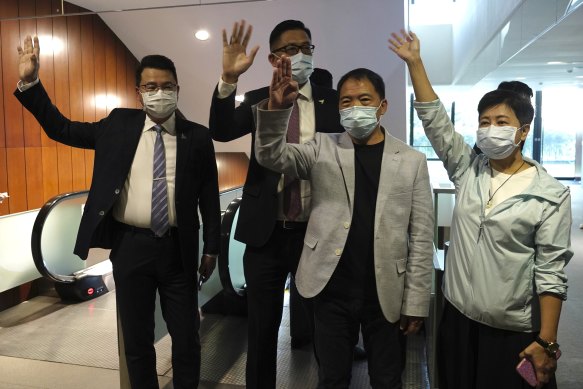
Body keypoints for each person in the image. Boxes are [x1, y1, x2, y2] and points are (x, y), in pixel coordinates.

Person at [15, 35, 220, 389]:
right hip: (131, 247)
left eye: (167, 85)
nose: (159, 92)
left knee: (186, 339)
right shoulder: (119, 125)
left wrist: (212, 247)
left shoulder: (197, 137)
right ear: (138, 90)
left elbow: (210, 198)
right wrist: (32, 83)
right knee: (137, 343)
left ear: (178, 88)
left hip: (178, 251)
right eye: (151, 86)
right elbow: (61, 128)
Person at [389, 30, 573, 389]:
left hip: (511, 331)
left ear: (523, 132)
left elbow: (551, 273)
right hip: (457, 320)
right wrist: (415, 63)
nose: (491, 130)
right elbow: (436, 122)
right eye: (484, 122)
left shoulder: (549, 193)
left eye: (501, 122)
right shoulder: (468, 169)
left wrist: (547, 342)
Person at [254, 57, 434, 388]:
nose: (354, 108)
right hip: (331, 288)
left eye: (364, 100)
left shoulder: (412, 161)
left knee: (387, 378)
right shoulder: (322, 146)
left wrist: (417, 301)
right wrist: (275, 112)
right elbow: (271, 156)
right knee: (332, 377)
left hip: (386, 291)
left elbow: (422, 237)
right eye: (346, 101)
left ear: (382, 106)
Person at [209, 20, 344, 388]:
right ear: (272, 58)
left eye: (307, 47)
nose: (300, 55)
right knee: (262, 331)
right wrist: (228, 79)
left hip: (316, 232)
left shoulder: (333, 102)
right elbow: (221, 131)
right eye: (290, 49)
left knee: (326, 330)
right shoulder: (257, 99)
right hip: (266, 234)